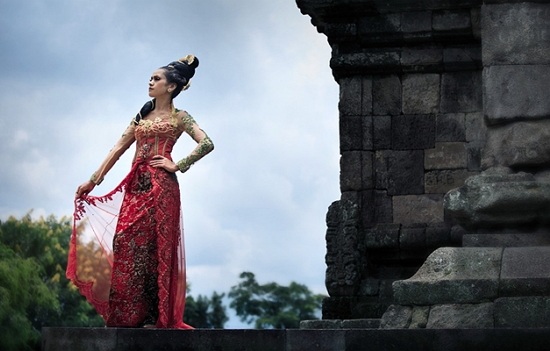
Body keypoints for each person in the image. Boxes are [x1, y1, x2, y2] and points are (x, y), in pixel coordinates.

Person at [66, 55, 213, 329]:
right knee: (124, 242)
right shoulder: (141, 116)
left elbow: (207, 143)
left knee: (156, 249)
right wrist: (92, 181)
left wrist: (177, 164)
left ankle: (152, 318)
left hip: (162, 187)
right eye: (151, 78)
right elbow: (117, 149)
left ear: (171, 87)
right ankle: (127, 316)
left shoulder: (180, 117)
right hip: (136, 186)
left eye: (156, 79)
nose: (151, 81)